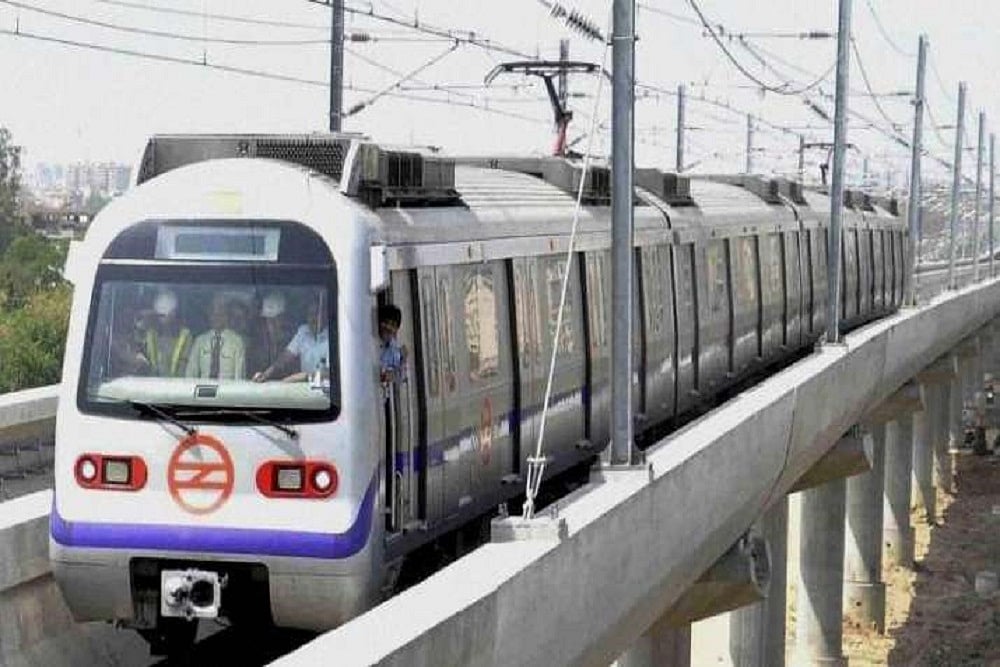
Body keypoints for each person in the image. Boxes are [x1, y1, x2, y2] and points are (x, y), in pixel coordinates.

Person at [252, 291, 329, 383]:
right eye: (310, 314)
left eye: (316, 314)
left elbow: (331, 373)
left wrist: (304, 376)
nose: (313, 319)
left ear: (325, 315)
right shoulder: (303, 331)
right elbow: (284, 358)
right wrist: (266, 374)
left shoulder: (334, 336)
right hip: (305, 391)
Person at [185, 293, 247, 380]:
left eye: (221, 313)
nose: (217, 316)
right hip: (203, 391)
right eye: (214, 313)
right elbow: (190, 373)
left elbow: (239, 376)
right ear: (209, 315)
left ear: (226, 315)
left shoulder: (237, 342)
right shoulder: (200, 341)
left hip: (228, 391)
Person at [143, 289, 193, 377]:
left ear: (174, 314)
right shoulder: (150, 335)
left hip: (178, 385)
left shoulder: (185, 336)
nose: (162, 320)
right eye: (160, 316)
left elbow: (186, 367)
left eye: (165, 316)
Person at [249, 291, 295, 375]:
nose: (272, 324)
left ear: (283, 318)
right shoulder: (258, 342)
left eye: (276, 319)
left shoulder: (292, 341)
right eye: (269, 320)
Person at [378, 303, 405, 382]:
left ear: (396, 330)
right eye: (386, 322)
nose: (388, 327)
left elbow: (401, 376)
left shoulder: (394, 351)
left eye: (393, 325)